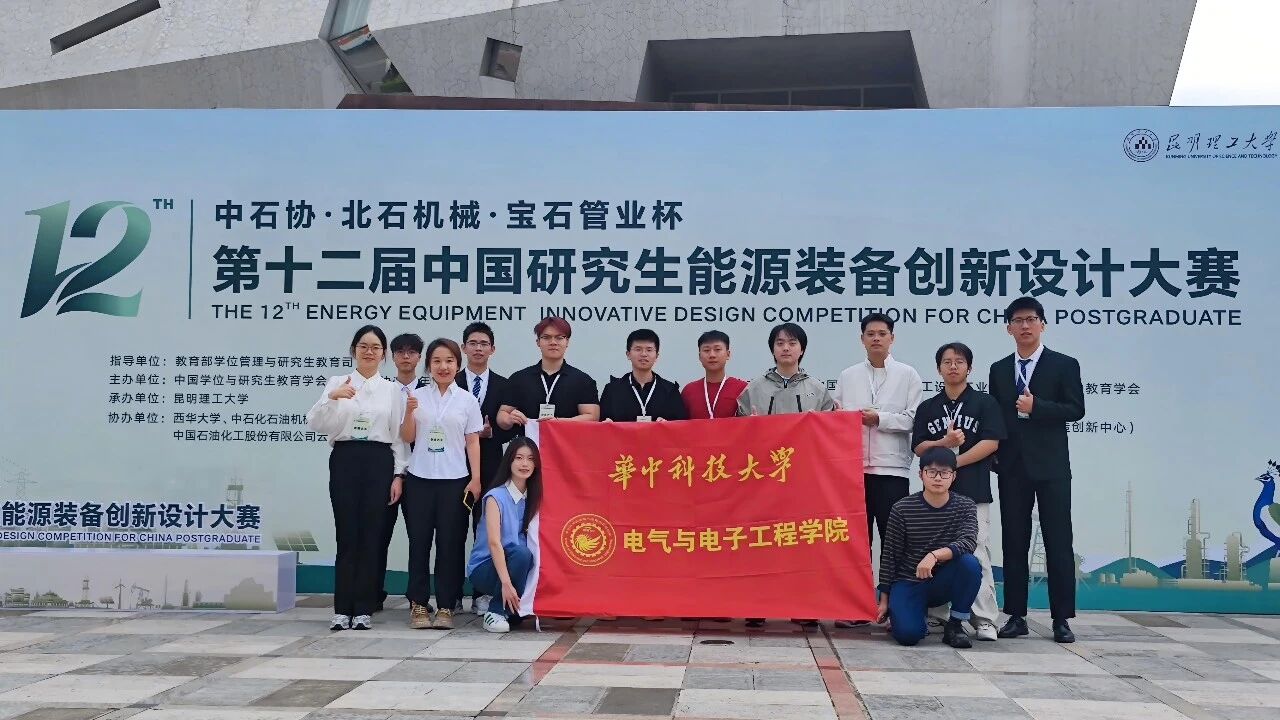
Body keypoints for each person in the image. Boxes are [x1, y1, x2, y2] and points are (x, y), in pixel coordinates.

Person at [988, 297, 1085, 643]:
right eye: (1018, 320)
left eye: (1031, 319)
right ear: (1009, 328)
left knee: (1058, 541)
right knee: (1014, 541)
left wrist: (1036, 406)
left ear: (1043, 324)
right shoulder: (999, 369)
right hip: (1012, 467)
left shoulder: (1064, 364)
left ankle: (1062, 618)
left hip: (1052, 466)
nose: (1025, 326)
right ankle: (1016, 615)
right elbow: (997, 417)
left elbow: (1076, 409)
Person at [307, 325, 407, 631]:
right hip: (346, 458)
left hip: (379, 461)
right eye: (363, 346)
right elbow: (315, 423)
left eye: (376, 347)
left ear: (384, 354)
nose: (369, 352)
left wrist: (398, 474)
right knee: (347, 534)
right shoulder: (337, 382)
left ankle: (364, 608)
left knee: (372, 535)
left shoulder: (392, 390)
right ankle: (342, 609)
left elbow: (398, 436)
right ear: (354, 350)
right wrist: (332, 398)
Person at [737, 322, 835, 627]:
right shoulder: (754, 388)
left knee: (801, 543)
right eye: (780, 343)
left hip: (803, 479)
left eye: (792, 343)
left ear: (802, 349)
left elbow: (831, 433)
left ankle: (803, 606)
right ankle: (757, 605)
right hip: (763, 479)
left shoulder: (817, 389)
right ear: (772, 349)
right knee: (761, 542)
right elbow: (737, 434)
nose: (786, 348)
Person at [831, 313, 922, 628]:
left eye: (882, 333)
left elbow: (912, 420)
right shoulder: (848, 376)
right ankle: (857, 607)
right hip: (854, 470)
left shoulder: (908, 375)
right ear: (862, 339)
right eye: (870, 334)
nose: (876, 339)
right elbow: (836, 418)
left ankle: (894, 607)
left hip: (892, 470)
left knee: (893, 541)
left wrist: (878, 419)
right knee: (858, 542)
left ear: (892, 338)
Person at [911, 342, 1005, 641]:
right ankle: (938, 614)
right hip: (935, 496)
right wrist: (944, 443)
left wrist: (952, 464)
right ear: (938, 368)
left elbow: (991, 442)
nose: (953, 366)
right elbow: (919, 447)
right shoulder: (928, 407)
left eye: (959, 361)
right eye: (947, 362)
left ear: (969, 367)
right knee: (936, 550)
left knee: (976, 553)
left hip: (973, 491)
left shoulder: (985, 403)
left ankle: (984, 619)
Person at [400, 338, 484, 630]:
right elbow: (408, 437)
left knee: (450, 544)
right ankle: (418, 604)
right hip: (419, 480)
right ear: (428, 366)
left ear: (458, 365)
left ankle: (447, 605)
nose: (443, 366)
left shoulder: (467, 400)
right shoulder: (416, 396)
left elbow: (472, 442)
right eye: (437, 361)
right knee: (419, 543)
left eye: (449, 361)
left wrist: (476, 478)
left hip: (455, 482)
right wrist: (409, 412)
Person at [876, 447, 982, 648]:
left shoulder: (965, 506)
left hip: (942, 582)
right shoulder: (902, 508)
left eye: (944, 473)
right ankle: (909, 612)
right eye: (931, 472)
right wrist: (884, 601)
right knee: (908, 636)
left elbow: (968, 541)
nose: (938, 478)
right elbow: (890, 556)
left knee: (969, 564)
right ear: (921, 474)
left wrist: (934, 555)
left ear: (953, 476)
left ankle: (955, 625)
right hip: (909, 581)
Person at [456, 322, 515, 615]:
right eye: (473, 343)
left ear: (493, 349)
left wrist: (493, 433)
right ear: (463, 347)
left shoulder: (505, 385)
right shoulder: (450, 380)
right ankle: (452, 593)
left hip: (492, 465)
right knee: (453, 529)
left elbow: (510, 429)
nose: (478, 348)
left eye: (484, 344)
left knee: (486, 530)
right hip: (454, 465)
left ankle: (482, 593)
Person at [373, 332, 427, 612]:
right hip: (388, 472)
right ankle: (373, 593)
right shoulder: (382, 390)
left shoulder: (430, 392)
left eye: (412, 352)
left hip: (422, 474)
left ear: (419, 357)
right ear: (391, 357)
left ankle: (417, 597)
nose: (406, 357)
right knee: (378, 533)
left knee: (419, 537)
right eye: (400, 352)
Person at [467, 437, 543, 633]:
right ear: (509, 461)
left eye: (530, 459)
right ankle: (495, 611)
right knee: (522, 554)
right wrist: (506, 584)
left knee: (526, 555)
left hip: (516, 565)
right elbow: (494, 543)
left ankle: (511, 609)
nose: (525, 464)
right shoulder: (496, 497)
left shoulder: (534, 498)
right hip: (486, 568)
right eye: (519, 458)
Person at [497, 317, 600, 436]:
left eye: (559, 337)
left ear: (567, 342)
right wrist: (508, 420)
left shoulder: (583, 381)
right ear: (538, 342)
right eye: (546, 337)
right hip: (527, 446)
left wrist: (557, 423)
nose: (553, 342)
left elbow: (593, 417)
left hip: (567, 444)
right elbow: (502, 414)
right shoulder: (519, 378)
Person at [598, 329, 688, 422]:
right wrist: (606, 425)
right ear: (628, 354)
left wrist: (668, 425)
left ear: (656, 356)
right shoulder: (612, 390)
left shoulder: (670, 390)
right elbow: (601, 423)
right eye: (638, 349)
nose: (644, 354)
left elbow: (681, 426)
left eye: (649, 350)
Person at [680, 330, 748, 419]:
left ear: (728, 354)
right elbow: (679, 423)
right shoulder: (689, 391)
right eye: (706, 350)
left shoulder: (743, 389)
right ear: (700, 356)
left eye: (717, 350)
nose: (712, 355)